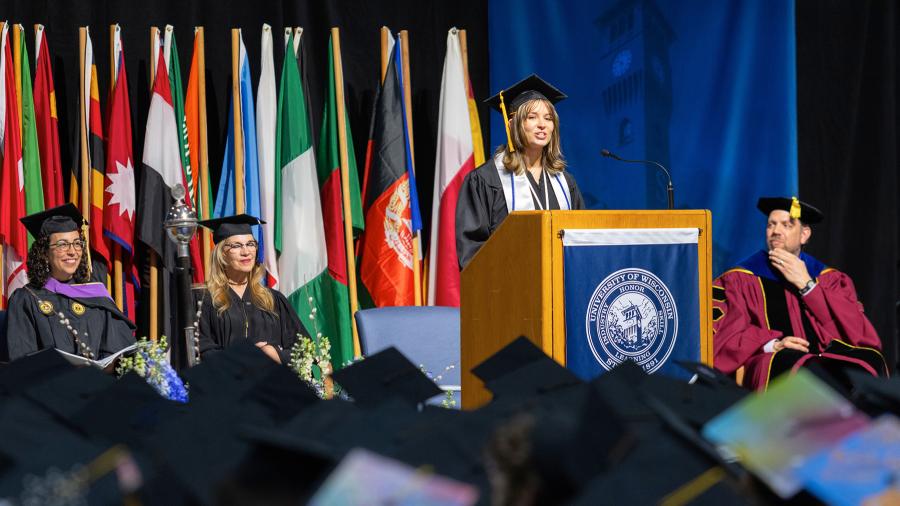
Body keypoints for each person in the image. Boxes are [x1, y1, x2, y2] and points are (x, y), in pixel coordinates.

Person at [712, 197, 886, 390]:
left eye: (786, 225)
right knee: (794, 362)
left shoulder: (829, 279)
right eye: (771, 225)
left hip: (819, 355)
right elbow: (727, 334)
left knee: (870, 360)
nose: (776, 231)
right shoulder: (740, 279)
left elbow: (857, 334)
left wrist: (808, 286)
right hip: (775, 356)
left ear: (804, 235)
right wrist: (773, 343)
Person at [456, 74, 585, 269]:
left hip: (562, 289)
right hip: (508, 291)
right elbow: (472, 253)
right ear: (511, 124)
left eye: (548, 118)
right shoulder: (485, 180)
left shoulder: (566, 183)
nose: (542, 124)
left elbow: (582, 240)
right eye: (532, 117)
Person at [4, 204, 136, 362]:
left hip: (99, 384)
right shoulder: (26, 300)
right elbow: (22, 363)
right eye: (62, 245)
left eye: (77, 243)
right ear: (44, 253)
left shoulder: (95, 294)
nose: (72, 251)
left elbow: (119, 351)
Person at [196, 214, 308, 364]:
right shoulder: (205, 299)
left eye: (250, 244)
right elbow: (200, 350)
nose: (246, 251)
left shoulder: (273, 299)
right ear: (222, 253)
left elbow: (304, 350)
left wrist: (274, 353)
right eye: (236, 245)